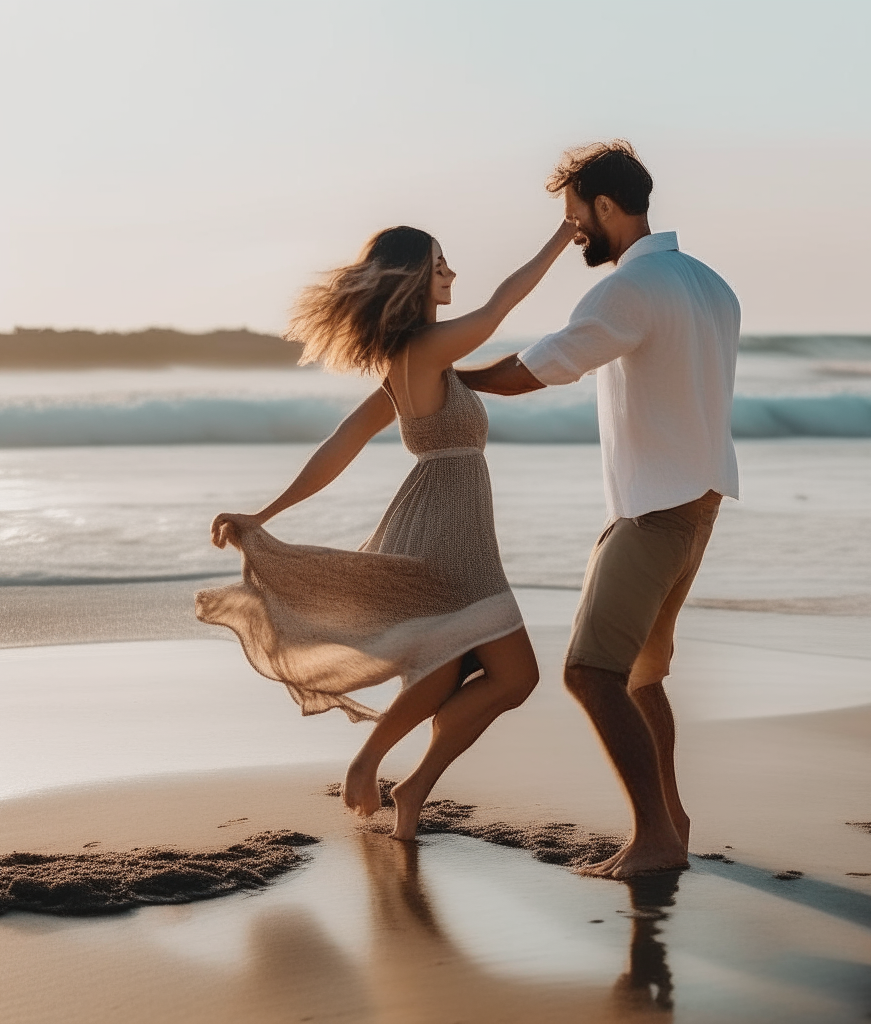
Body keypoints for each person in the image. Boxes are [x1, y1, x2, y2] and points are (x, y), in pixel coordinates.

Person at [196, 219, 576, 841]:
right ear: (415, 277)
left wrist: (265, 513)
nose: (450, 273)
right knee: (514, 676)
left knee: (466, 672)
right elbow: (503, 303)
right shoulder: (422, 352)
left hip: (447, 524)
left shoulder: (418, 360)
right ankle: (371, 763)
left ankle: (412, 788)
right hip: (449, 534)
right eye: (439, 263)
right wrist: (566, 233)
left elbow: (340, 445)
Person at [457, 141, 740, 879]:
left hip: (655, 510)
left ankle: (653, 837)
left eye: (575, 214)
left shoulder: (630, 289)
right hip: (698, 500)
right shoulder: (711, 285)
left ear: (605, 207)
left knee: (590, 672)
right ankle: (670, 822)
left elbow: (539, 367)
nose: (574, 227)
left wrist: (449, 379)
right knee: (641, 675)